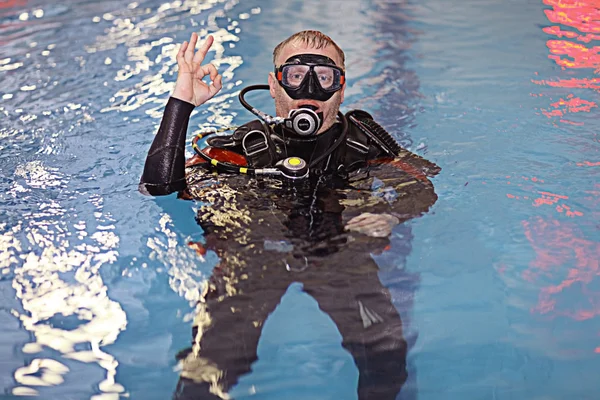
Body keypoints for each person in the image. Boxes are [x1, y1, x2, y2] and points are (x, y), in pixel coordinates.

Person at [140, 30, 440, 400]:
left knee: (387, 356)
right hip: (252, 256)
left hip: (340, 252)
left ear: (341, 89)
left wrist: (390, 214)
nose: (310, 90)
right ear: (274, 85)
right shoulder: (242, 148)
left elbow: (423, 186)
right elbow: (160, 189)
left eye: (325, 77)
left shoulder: (363, 145)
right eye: (296, 76)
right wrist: (180, 103)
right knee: (207, 368)